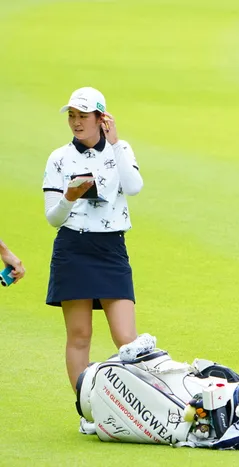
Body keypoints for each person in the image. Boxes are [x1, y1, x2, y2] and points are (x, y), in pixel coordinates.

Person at [42, 86, 144, 434]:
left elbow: (134, 187)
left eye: (83, 116)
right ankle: (87, 412)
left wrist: (115, 144)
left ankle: (138, 411)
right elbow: (53, 218)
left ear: (102, 118)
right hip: (73, 248)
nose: (76, 122)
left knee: (126, 337)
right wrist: (69, 198)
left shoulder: (121, 149)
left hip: (111, 248)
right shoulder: (59, 158)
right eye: (72, 115)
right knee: (80, 335)